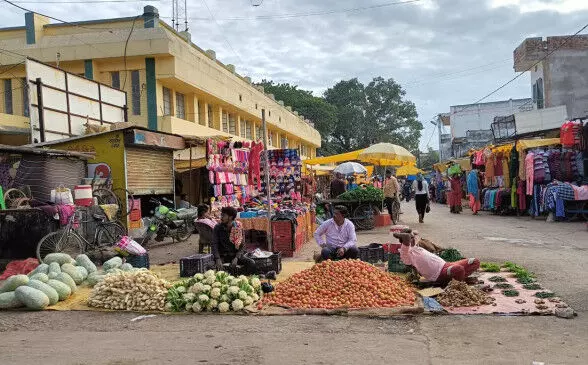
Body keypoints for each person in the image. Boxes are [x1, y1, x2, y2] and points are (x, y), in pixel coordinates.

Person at [393, 230, 480, 286]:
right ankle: (458, 283)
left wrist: (411, 233)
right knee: (459, 269)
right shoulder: (406, 254)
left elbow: (416, 233)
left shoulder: (416, 246)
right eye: (409, 239)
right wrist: (403, 237)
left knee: (475, 261)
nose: (412, 240)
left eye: (412, 238)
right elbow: (406, 245)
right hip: (438, 274)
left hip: (446, 264)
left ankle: (459, 280)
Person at [212, 207, 256, 274]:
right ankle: (232, 273)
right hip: (223, 256)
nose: (221, 217)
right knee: (210, 266)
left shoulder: (238, 227)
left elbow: (242, 246)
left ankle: (235, 274)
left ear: (230, 217)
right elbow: (214, 244)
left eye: (223, 215)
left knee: (251, 263)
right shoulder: (217, 227)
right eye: (221, 215)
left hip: (235, 255)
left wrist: (236, 258)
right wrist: (217, 259)